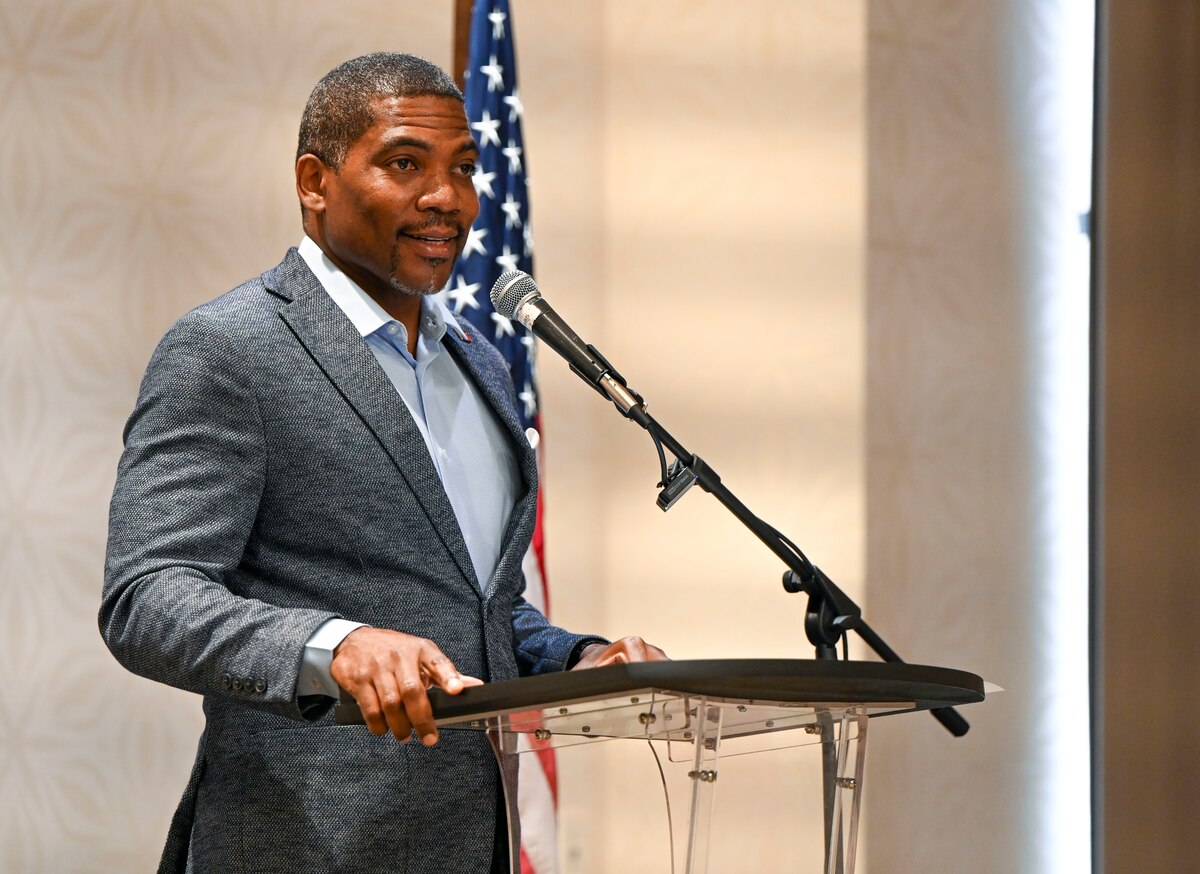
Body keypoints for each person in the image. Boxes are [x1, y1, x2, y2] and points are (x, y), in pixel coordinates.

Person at [100, 52, 666, 874]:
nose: (447, 198)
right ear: (314, 181)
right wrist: (336, 644)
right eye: (406, 164)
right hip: (301, 846)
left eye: (463, 170)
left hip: (475, 845)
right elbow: (147, 599)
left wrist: (577, 659)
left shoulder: (479, 362)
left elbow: (474, 608)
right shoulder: (230, 350)